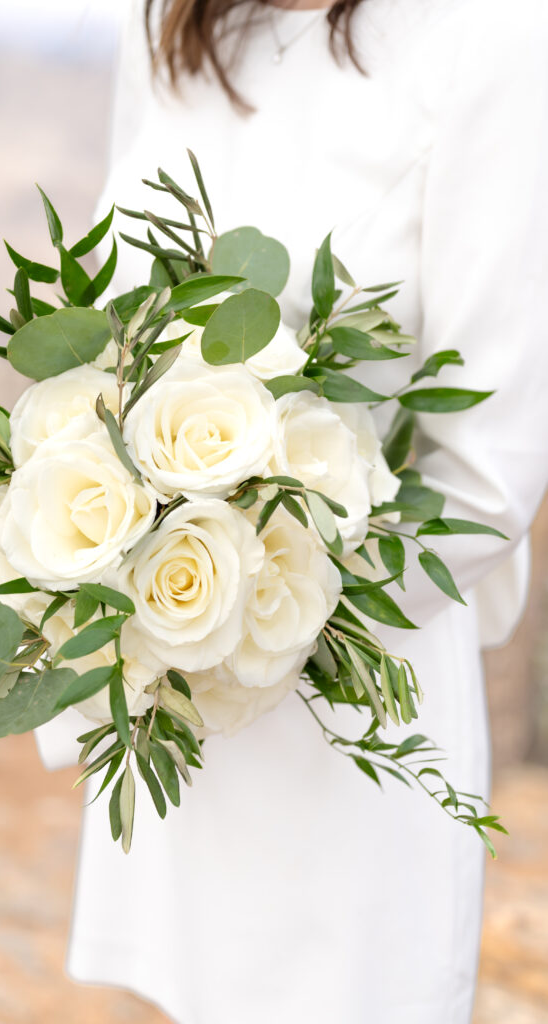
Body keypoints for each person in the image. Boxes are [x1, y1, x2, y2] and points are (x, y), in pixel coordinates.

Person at [35, 1, 548, 1021]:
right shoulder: (169, 25)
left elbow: (487, 470)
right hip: (172, 720)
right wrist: (131, 587)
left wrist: (258, 610)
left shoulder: (492, 36)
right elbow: (111, 334)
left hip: (351, 718)